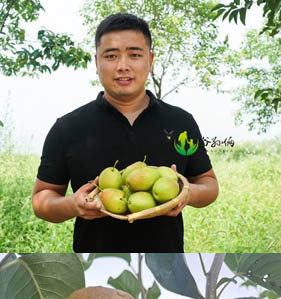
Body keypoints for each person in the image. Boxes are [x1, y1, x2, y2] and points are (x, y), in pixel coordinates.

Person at [31, 13, 219, 252]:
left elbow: (209, 184)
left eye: (134, 54)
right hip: (93, 263)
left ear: (150, 60)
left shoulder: (181, 122)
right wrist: (73, 205)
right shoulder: (67, 128)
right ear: (96, 62)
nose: (122, 66)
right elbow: (42, 200)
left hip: (166, 262)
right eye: (111, 56)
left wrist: (187, 194)